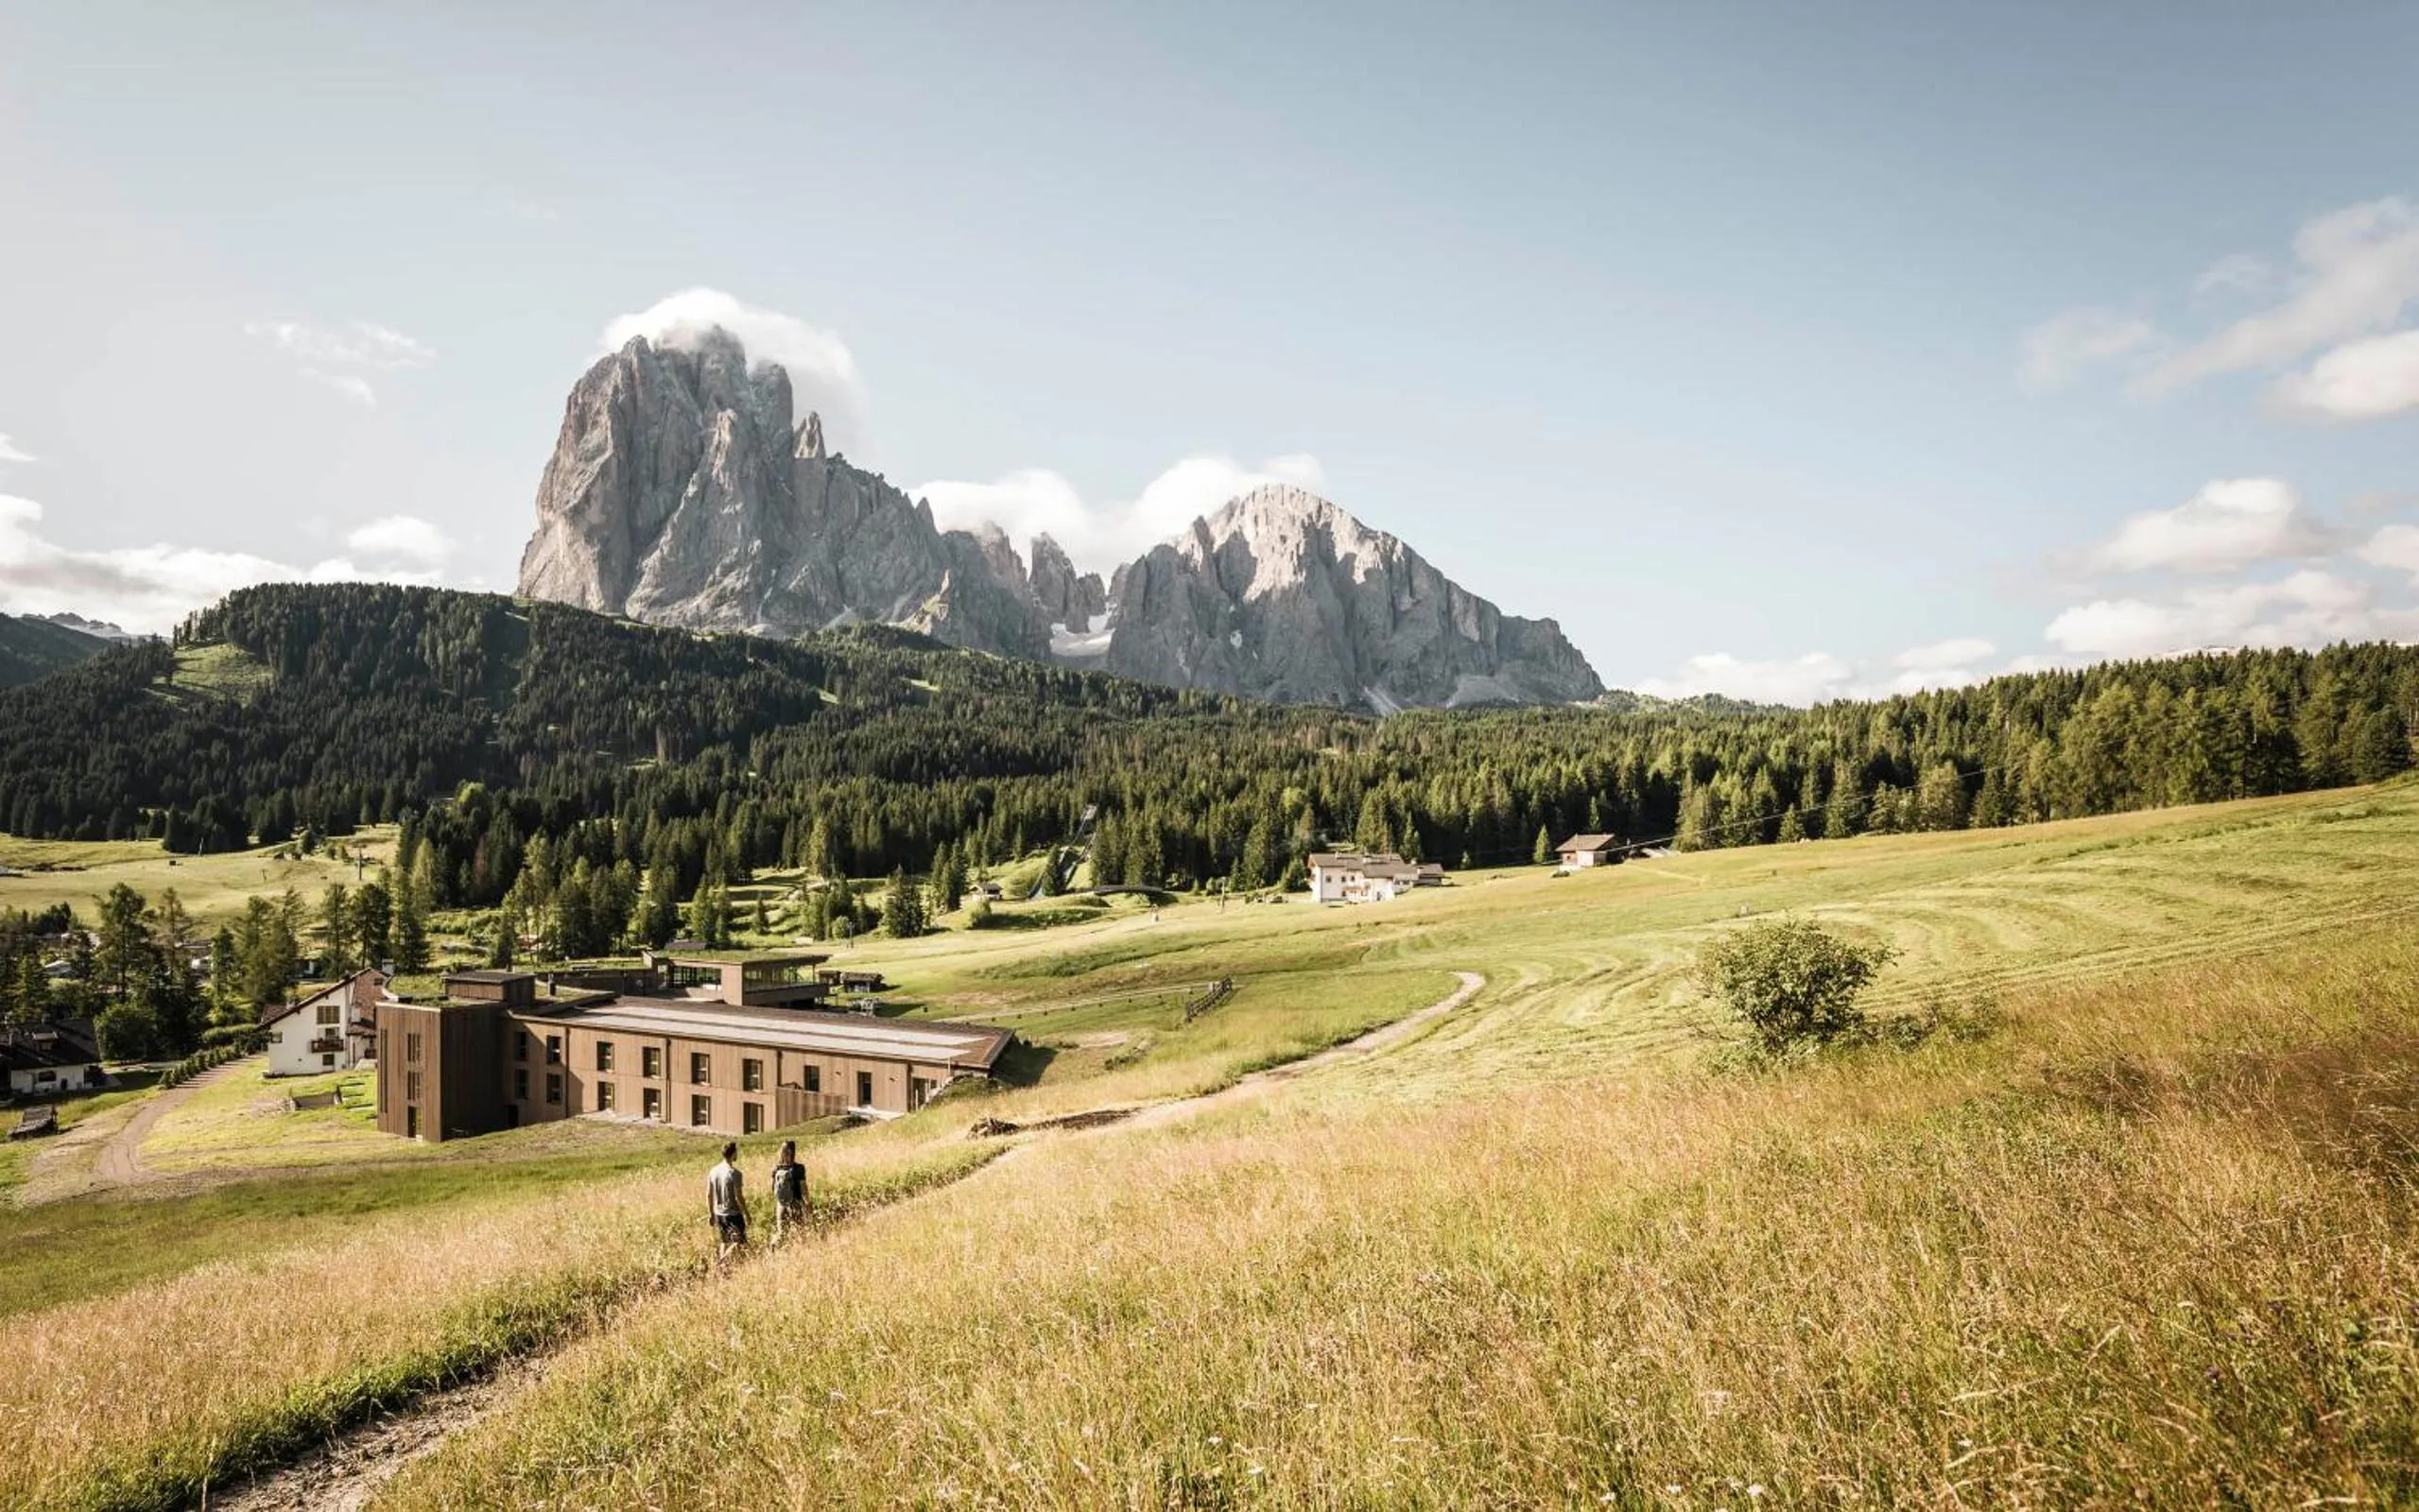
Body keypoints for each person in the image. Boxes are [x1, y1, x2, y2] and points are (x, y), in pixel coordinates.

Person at [707, 1141, 747, 1266]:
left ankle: (723, 1268)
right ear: (733, 1153)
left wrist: (711, 1213)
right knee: (739, 1242)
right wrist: (746, 1213)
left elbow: (709, 1194)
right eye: (736, 1152)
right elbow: (738, 1196)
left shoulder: (713, 1171)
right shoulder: (735, 1173)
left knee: (724, 1241)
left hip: (719, 1213)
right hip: (733, 1213)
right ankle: (722, 1261)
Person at [769, 1138, 809, 1243]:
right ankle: (801, 1251)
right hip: (795, 1203)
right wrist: (808, 1203)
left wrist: (782, 1197)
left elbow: (772, 1187)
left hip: (780, 1204)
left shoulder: (776, 1168)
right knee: (800, 1230)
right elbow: (803, 1188)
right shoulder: (799, 1168)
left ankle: (773, 1245)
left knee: (781, 1232)